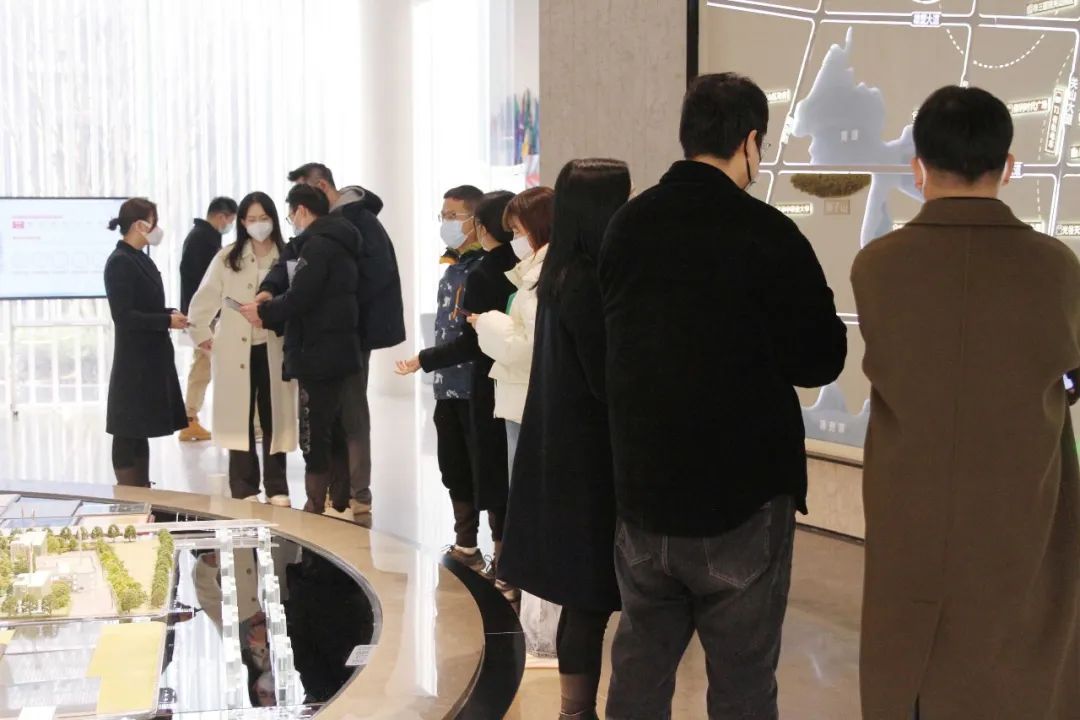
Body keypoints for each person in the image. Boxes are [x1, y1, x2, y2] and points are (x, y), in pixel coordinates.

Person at [598, 73, 847, 720]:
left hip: (644, 491)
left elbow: (611, 349)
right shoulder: (769, 233)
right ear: (751, 140)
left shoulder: (627, 226)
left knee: (639, 669)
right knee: (742, 681)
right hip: (744, 497)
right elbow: (820, 359)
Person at [852, 85, 1080, 720]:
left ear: (917, 166)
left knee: (910, 660)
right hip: (1020, 506)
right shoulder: (1056, 266)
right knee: (1023, 659)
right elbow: (1068, 376)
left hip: (912, 504)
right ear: (1008, 166)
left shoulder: (877, 266)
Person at [497, 160, 630, 720]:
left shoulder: (558, 275)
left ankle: (574, 711)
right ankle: (576, 711)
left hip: (561, 452)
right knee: (591, 601)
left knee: (582, 601)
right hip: (592, 461)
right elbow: (606, 379)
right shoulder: (590, 281)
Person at [396, 190, 518, 579]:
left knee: (491, 469)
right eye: (443, 215)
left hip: (479, 384)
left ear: (478, 222)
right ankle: (466, 544)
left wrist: (424, 359)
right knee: (454, 465)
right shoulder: (453, 267)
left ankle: (502, 555)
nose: (446, 223)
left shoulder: (495, 269)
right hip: (447, 385)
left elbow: (476, 339)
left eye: (454, 216)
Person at [287, 163, 406, 518]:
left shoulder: (359, 221)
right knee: (327, 415)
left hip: (351, 334)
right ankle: (335, 491)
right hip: (325, 336)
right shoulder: (327, 227)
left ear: (322, 186)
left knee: (352, 412)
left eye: (306, 195)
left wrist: (342, 306)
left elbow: (376, 276)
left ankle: (359, 492)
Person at [470, 186, 557, 653]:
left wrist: (487, 323)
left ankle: (541, 625)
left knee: (530, 503)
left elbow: (528, 347)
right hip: (517, 399)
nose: (514, 240)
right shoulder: (532, 272)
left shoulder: (544, 277)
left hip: (526, 401)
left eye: (519, 230)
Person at [239, 185, 362, 518]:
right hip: (333, 348)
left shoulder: (320, 246)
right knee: (332, 426)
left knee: (315, 431)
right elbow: (285, 265)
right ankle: (339, 503)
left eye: (290, 214)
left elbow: (301, 295)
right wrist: (268, 290)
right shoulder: (325, 240)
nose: (290, 220)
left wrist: (264, 313)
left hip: (318, 351)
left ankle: (317, 505)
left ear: (302, 211)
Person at [187, 192, 298, 506]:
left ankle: (277, 486)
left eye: (264, 218)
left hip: (274, 347)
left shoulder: (287, 254)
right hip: (236, 350)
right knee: (239, 417)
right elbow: (206, 296)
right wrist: (200, 332)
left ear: (273, 219)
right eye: (252, 219)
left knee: (275, 417)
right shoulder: (228, 257)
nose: (258, 224)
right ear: (242, 222)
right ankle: (243, 485)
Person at [104, 198, 191, 486]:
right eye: (154, 221)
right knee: (128, 428)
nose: (157, 228)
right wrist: (165, 320)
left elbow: (145, 306)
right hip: (133, 359)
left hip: (149, 355)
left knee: (139, 427)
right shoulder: (120, 262)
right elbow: (124, 315)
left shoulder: (139, 258)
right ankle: (129, 489)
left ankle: (141, 486)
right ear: (139, 225)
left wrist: (169, 314)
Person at [178, 196, 238, 442]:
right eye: (231, 220)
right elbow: (207, 285)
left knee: (204, 366)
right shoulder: (204, 240)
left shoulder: (201, 237)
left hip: (205, 315)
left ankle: (191, 417)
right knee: (204, 366)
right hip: (206, 317)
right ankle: (189, 418)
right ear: (222, 216)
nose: (230, 225)